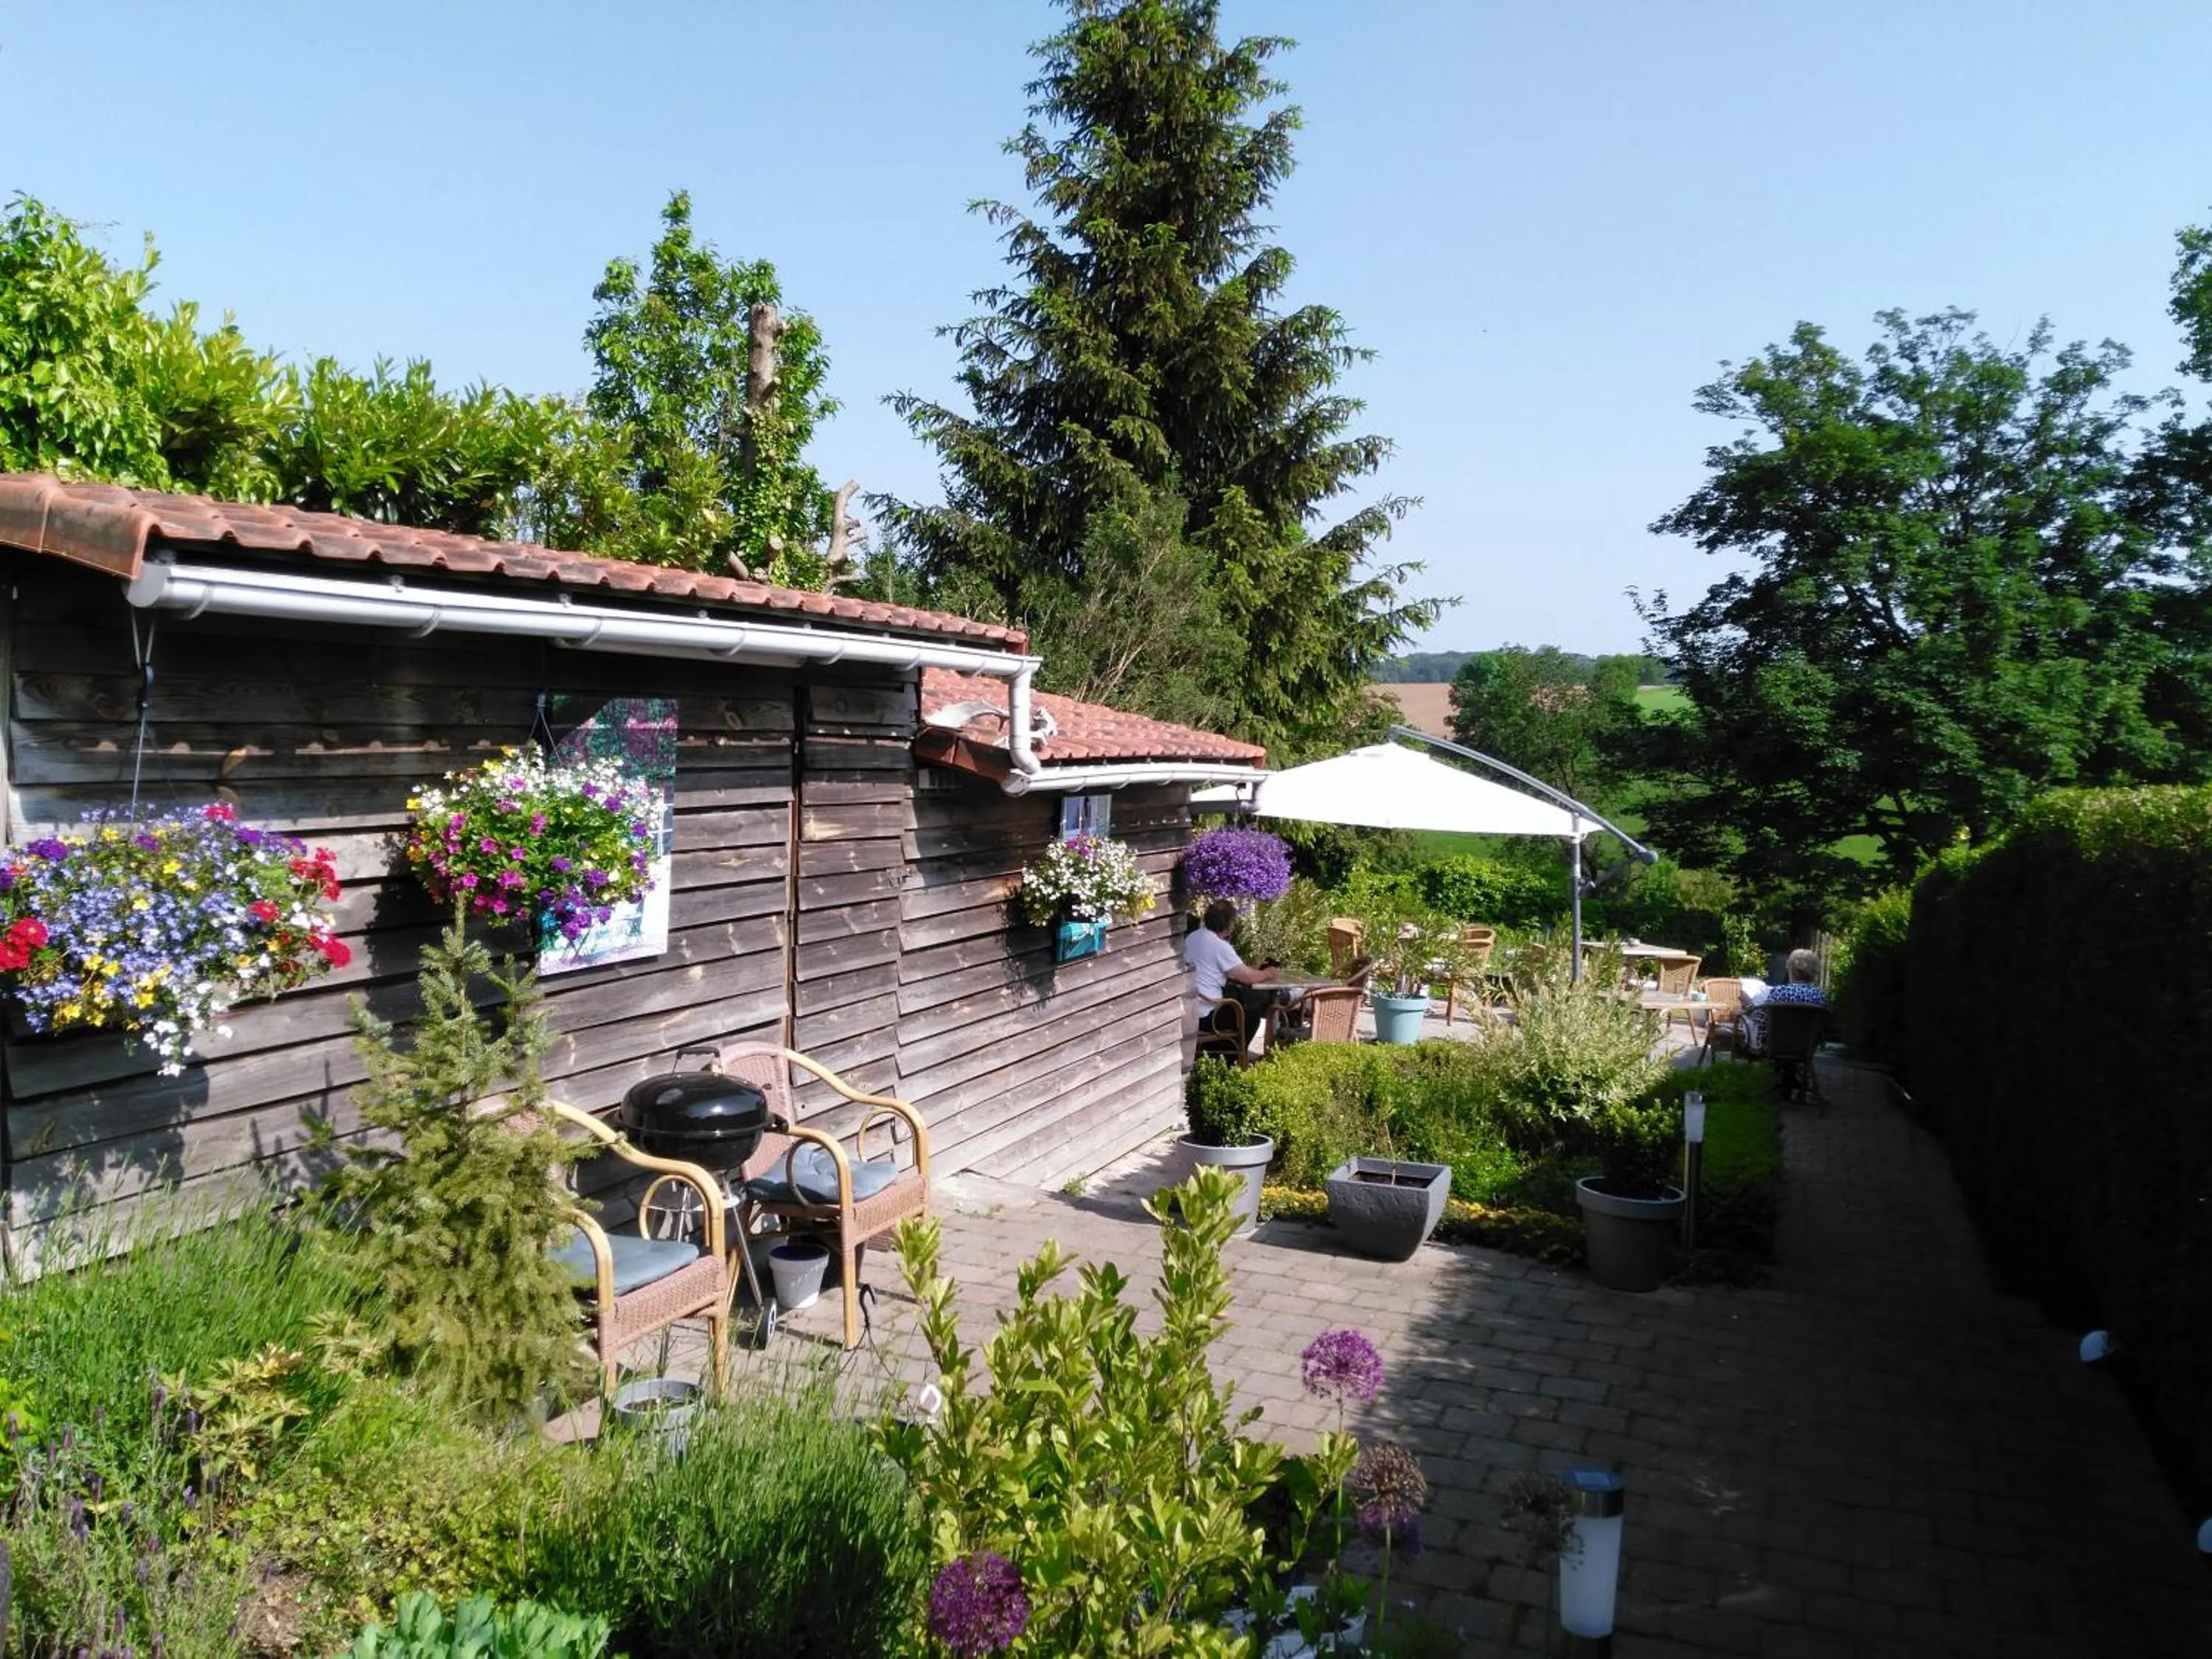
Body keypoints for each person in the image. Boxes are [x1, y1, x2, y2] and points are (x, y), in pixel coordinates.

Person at [1185, 900, 1280, 1048]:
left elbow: (1231, 969)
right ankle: (1231, 1057)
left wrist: (1254, 967)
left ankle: (1216, 1054)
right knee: (1251, 1018)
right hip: (1207, 1014)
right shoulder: (1219, 946)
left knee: (1239, 1000)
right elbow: (1248, 978)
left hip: (1189, 1009)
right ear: (1228, 925)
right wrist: (1268, 973)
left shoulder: (1194, 937)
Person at [1738, 948, 1824, 1058]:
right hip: (1805, 1048)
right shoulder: (1820, 996)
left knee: (1742, 1020)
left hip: (1774, 1046)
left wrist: (1749, 1006)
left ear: (1791, 970)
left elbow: (1762, 1020)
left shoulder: (1779, 992)